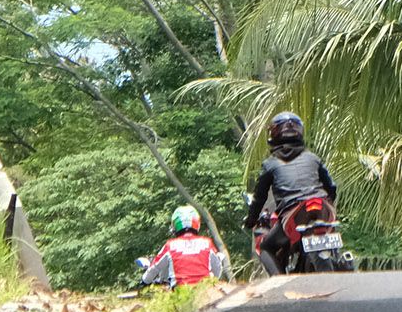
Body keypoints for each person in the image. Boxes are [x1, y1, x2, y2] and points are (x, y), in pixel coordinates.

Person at [243, 112, 337, 272]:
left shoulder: (270, 164)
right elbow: (331, 187)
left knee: (266, 247)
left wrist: (251, 220)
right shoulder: (312, 157)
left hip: (292, 214)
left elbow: (260, 198)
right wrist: (329, 201)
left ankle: (278, 284)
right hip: (321, 207)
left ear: (274, 135)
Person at [140, 205, 227, 287]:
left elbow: (155, 267)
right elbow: (217, 268)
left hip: (180, 291)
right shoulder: (207, 243)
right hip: (204, 289)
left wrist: (144, 281)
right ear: (197, 223)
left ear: (175, 225)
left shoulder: (170, 245)